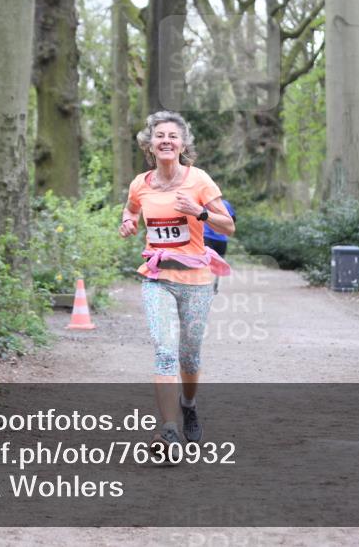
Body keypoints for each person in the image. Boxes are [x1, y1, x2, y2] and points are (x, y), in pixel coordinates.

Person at [118, 111, 234, 459]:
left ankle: (189, 404)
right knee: (165, 353)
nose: (166, 140)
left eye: (173, 136)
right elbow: (130, 210)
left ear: (183, 144)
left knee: (189, 356)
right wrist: (127, 222)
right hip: (157, 279)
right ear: (149, 144)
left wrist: (199, 212)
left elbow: (227, 226)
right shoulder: (140, 183)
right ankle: (168, 432)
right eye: (159, 135)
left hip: (197, 281)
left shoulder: (199, 181)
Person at [203, 198, 235, 294]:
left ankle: (213, 285)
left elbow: (232, 220)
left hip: (217, 238)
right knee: (210, 262)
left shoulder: (204, 202)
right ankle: (209, 285)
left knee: (212, 263)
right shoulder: (224, 203)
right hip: (210, 237)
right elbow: (233, 219)